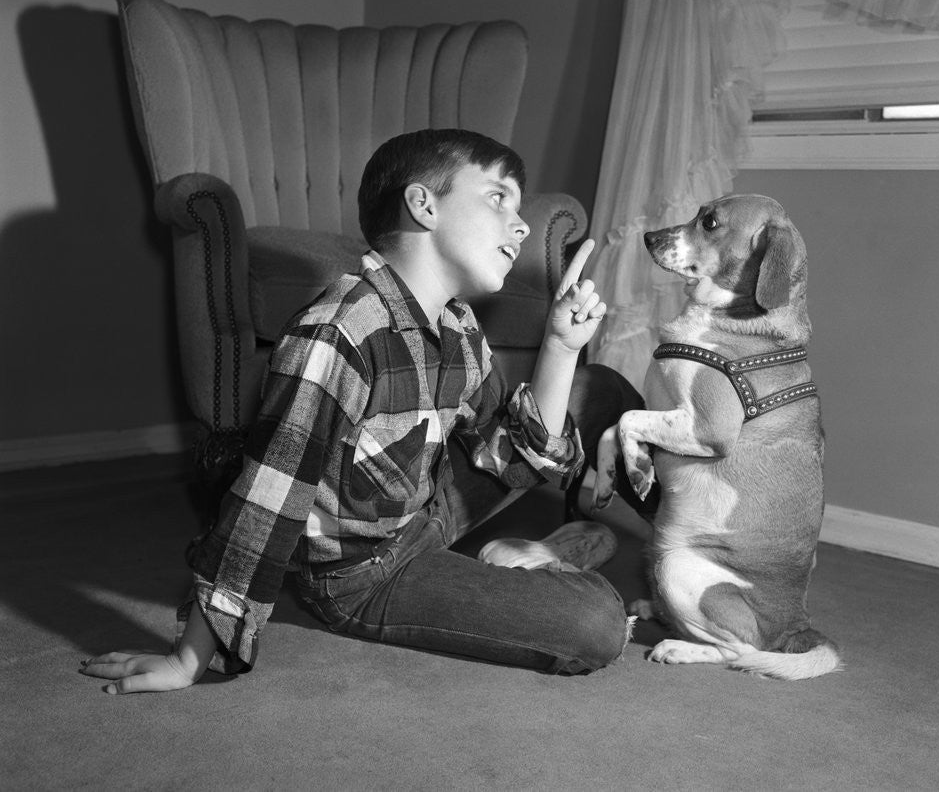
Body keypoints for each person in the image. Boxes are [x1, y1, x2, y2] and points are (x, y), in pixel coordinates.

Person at [80, 129, 647, 694]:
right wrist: (189, 659)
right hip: (362, 571)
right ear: (423, 205)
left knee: (594, 387)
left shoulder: (459, 325)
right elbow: (267, 499)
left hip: (424, 505)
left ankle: (533, 555)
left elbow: (511, 454)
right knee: (596, 626)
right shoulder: (338, 333)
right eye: (499, 198)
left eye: (520, 208)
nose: (520, 225)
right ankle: (542, 561)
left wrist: (561, 346)